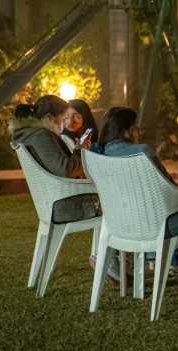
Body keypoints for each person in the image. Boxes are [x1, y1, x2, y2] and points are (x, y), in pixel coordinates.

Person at [90, 107, 178, 304]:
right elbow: (167, 186)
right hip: (156, 225)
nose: (139, 130)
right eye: (136, 126)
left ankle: (177, 263)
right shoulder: (142, 152)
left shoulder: (96, 155)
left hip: (119, 226)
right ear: (126, 130)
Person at [9, 95, 120, 282]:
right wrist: (79, 149)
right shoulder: (41, 135)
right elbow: (66, 169)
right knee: (117, 204)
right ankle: (112, 262)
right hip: (64, 205)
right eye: (63, 119)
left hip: (53, 203)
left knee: (112, 199)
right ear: (50, 117)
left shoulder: (28, 134)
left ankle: (108, 260)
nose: (64, 124)